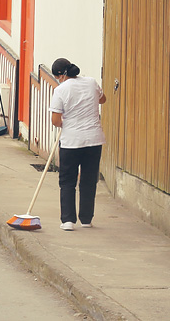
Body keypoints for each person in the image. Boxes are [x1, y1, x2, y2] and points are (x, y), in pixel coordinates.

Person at [49, 57, 107, 231]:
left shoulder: (61, 90)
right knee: (89, 179)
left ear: (60, 75)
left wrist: (64, 123)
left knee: (67, 180)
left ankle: (68, 220)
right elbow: (103, 100)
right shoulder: (91, 82)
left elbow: (55, 120)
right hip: (94, 140)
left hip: (71, 141)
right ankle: (86, 219)